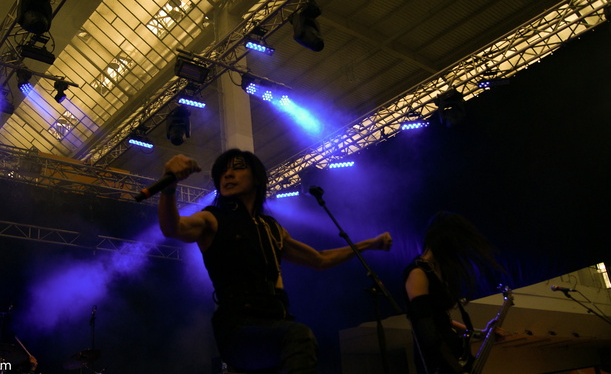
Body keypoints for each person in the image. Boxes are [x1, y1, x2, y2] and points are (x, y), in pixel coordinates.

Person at [158, 149, 393, 373]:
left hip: (275, 324)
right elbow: (173, 227)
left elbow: (320, 259)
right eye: (222, 172)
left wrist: (368, 244)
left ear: (256, 178)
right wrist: (169, 186)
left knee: (298, 340)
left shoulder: (272, 229)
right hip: (239, 329)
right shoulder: (212, 219)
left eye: (238, 168)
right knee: (298, 336)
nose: (227, 175)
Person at [403, 212, 504, 374]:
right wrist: (454, 367)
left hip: (454, 353)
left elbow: (442, 321)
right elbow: (426, 328)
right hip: (438, 360)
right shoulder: (418, 273)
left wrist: (481, 333)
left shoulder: (438, 271)